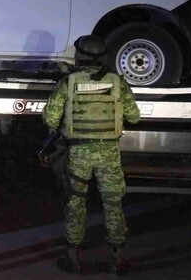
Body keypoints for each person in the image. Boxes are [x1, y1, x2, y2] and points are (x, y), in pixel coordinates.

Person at [42, 34, 141, 276]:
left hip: (79, 153)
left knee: (75, 203)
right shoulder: (118, 82)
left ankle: (73, 257)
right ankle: (117, 260)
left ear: (80, 56)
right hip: (109, 152)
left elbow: (51, 119)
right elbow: (135, 116)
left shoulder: (68, 83)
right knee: (113, 204)